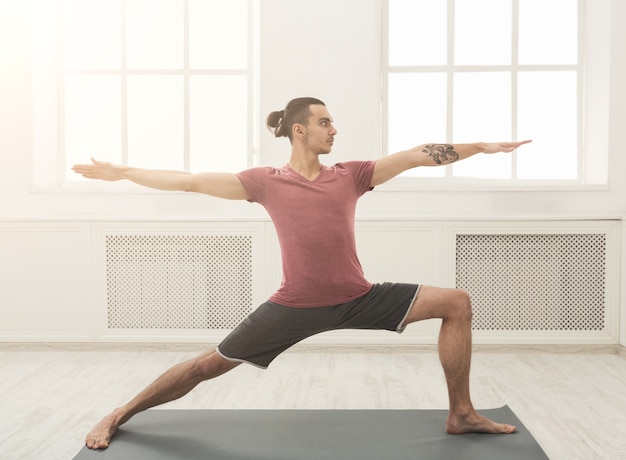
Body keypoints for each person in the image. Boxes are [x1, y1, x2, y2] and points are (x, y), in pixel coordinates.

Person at [72, 97, 531, 450]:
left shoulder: (351, 175)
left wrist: (480, 148)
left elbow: (415, 155)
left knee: (457, 302)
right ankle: (120, 413)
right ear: (299, 130)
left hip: (358, 296)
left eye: (332, 122)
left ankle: (462, 413)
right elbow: (191, 181)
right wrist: (125, 172)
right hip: (293, 306)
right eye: (325, 122)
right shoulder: (264, 181)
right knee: (207, 366)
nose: (334, 129)